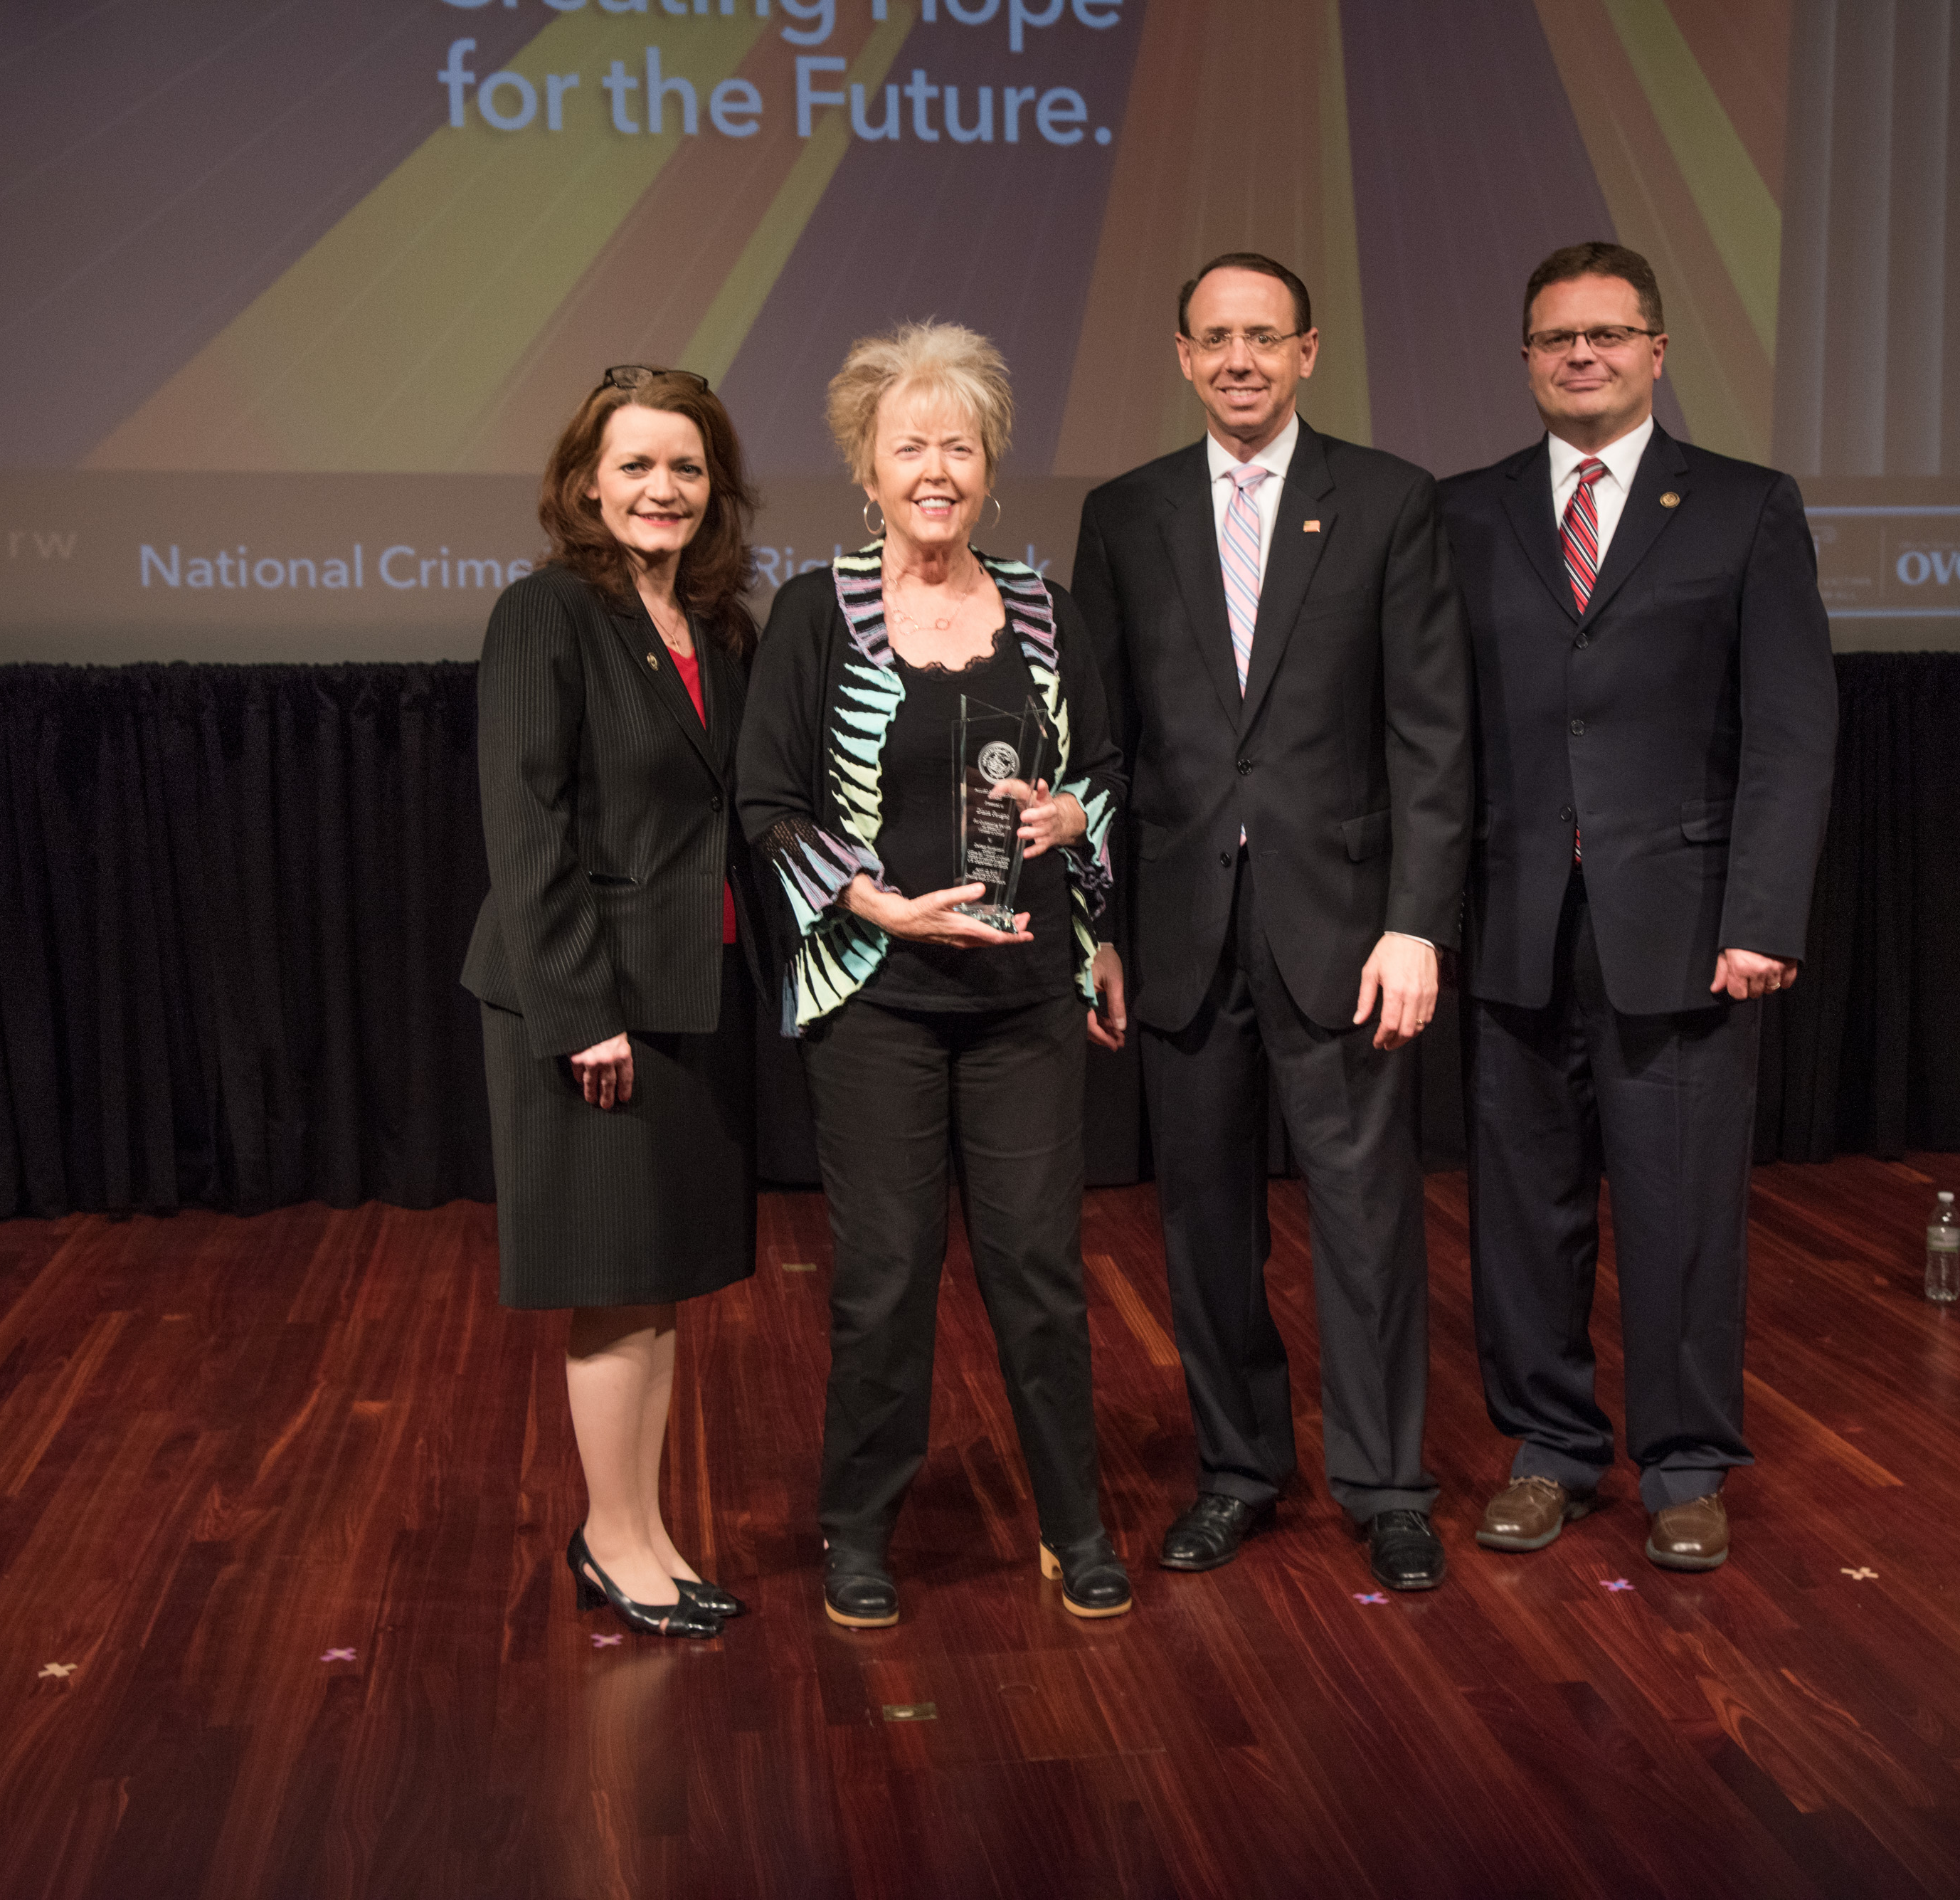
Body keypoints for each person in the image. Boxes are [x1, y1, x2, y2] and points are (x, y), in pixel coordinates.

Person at [1072, 253, 1473, 1593]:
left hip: (1348, 930)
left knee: (1366, 1220)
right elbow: (1104, 748)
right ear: (1180, 357)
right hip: (1182, 929)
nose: (1239, 360)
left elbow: (1431, 735)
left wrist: (1417, 921)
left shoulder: (1391, 501)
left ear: (1310, 351)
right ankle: (1239, 1469)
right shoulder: (1124, 515)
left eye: (1265, 338)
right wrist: (1100, 929)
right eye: (1214, 339)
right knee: (1202, 1226)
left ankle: (1387, 1483)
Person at [1438, 242, 1837, 1572]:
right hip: (1510, 922)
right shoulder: (1462, 513)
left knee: (1683, 1213)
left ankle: (1683, 1466)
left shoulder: (1744, 506)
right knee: (1522, 1214)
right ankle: (1549, 1449)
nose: (1582, 357)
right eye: (1557, 339)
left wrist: (1766, 912)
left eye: (1609, 335)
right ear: (1527, 360)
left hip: (1687, 924)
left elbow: (1790, 730)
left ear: (1658, 351)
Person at [736, 321, 1133, 1630]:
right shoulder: (814, 612)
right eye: (909, 445)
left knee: (1038, 1270)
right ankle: (860, 1529)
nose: (935, 468)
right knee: (886, 1276)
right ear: (866, 467)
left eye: (958, 445)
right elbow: (770, 802)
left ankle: (1074, 1525)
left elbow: (1109, 777)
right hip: (877, 1001)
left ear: (990, 466)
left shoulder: (1047, 611)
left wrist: (1082, 833)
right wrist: (877, 904)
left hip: (1026, 1003)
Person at [465, 365, 768, 1640]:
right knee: (609, 1279)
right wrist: (580, 1011)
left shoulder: (722, 628)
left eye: (686, 468)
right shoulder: (549, 614)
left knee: (656, 1285)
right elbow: (526, 829)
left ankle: (639, 1532)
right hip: (591, 1006)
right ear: (589, 481)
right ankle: (611, 1537)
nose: (663, 489)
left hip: (694, 992)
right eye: (637, 466)